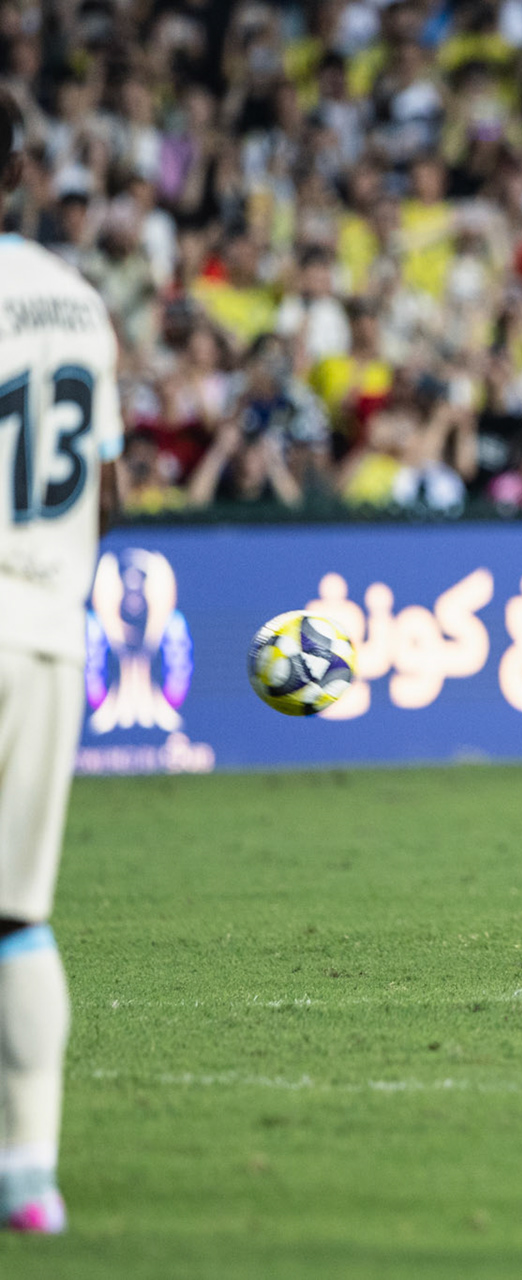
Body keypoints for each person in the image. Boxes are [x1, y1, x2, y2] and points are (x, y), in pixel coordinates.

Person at [0, 89, 124, 1234]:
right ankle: (30, 1173)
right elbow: (112, 482)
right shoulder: (77, 300)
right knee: (17, 914)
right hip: (46, 627)